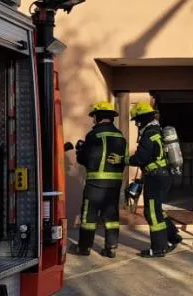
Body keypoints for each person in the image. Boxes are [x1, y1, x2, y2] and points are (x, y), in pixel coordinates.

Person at [70, 101, 127, 258]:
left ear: (98, 117)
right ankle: (111, 249)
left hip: (95, 185)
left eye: (94, 116)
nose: (93, 119)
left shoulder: (93, 135)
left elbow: (85, 159)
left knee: (89, 217)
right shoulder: (120, 137)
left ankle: (84, 248)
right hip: (114, 185)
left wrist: (80, 150)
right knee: (112, 217)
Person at [127, 101, 183, 258]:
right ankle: (173, 236)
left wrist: (124, 159)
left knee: (151, 212)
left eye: (137, 120)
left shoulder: (148, 134)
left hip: (155, 177)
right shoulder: (157, 130)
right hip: (162, 176)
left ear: (142, 119)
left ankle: (159, 248)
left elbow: (140, 158)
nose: (137, 124)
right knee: (157, 209)